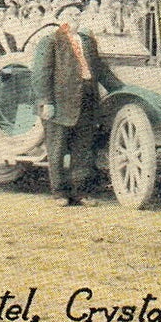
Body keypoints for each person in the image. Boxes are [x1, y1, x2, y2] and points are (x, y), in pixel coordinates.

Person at [31, 17, 122, 206]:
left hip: (87, 100)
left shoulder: (87, 41)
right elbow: (41, 73)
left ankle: (81, 193)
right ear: (59, 19)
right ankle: (60, 194)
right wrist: (46, 102)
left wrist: (120, 90)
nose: (74, 18)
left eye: (77, 14)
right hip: (59, 103)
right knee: (56, 150)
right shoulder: (50, 41)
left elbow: (101, 70)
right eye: (69, 14)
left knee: (83, 149)